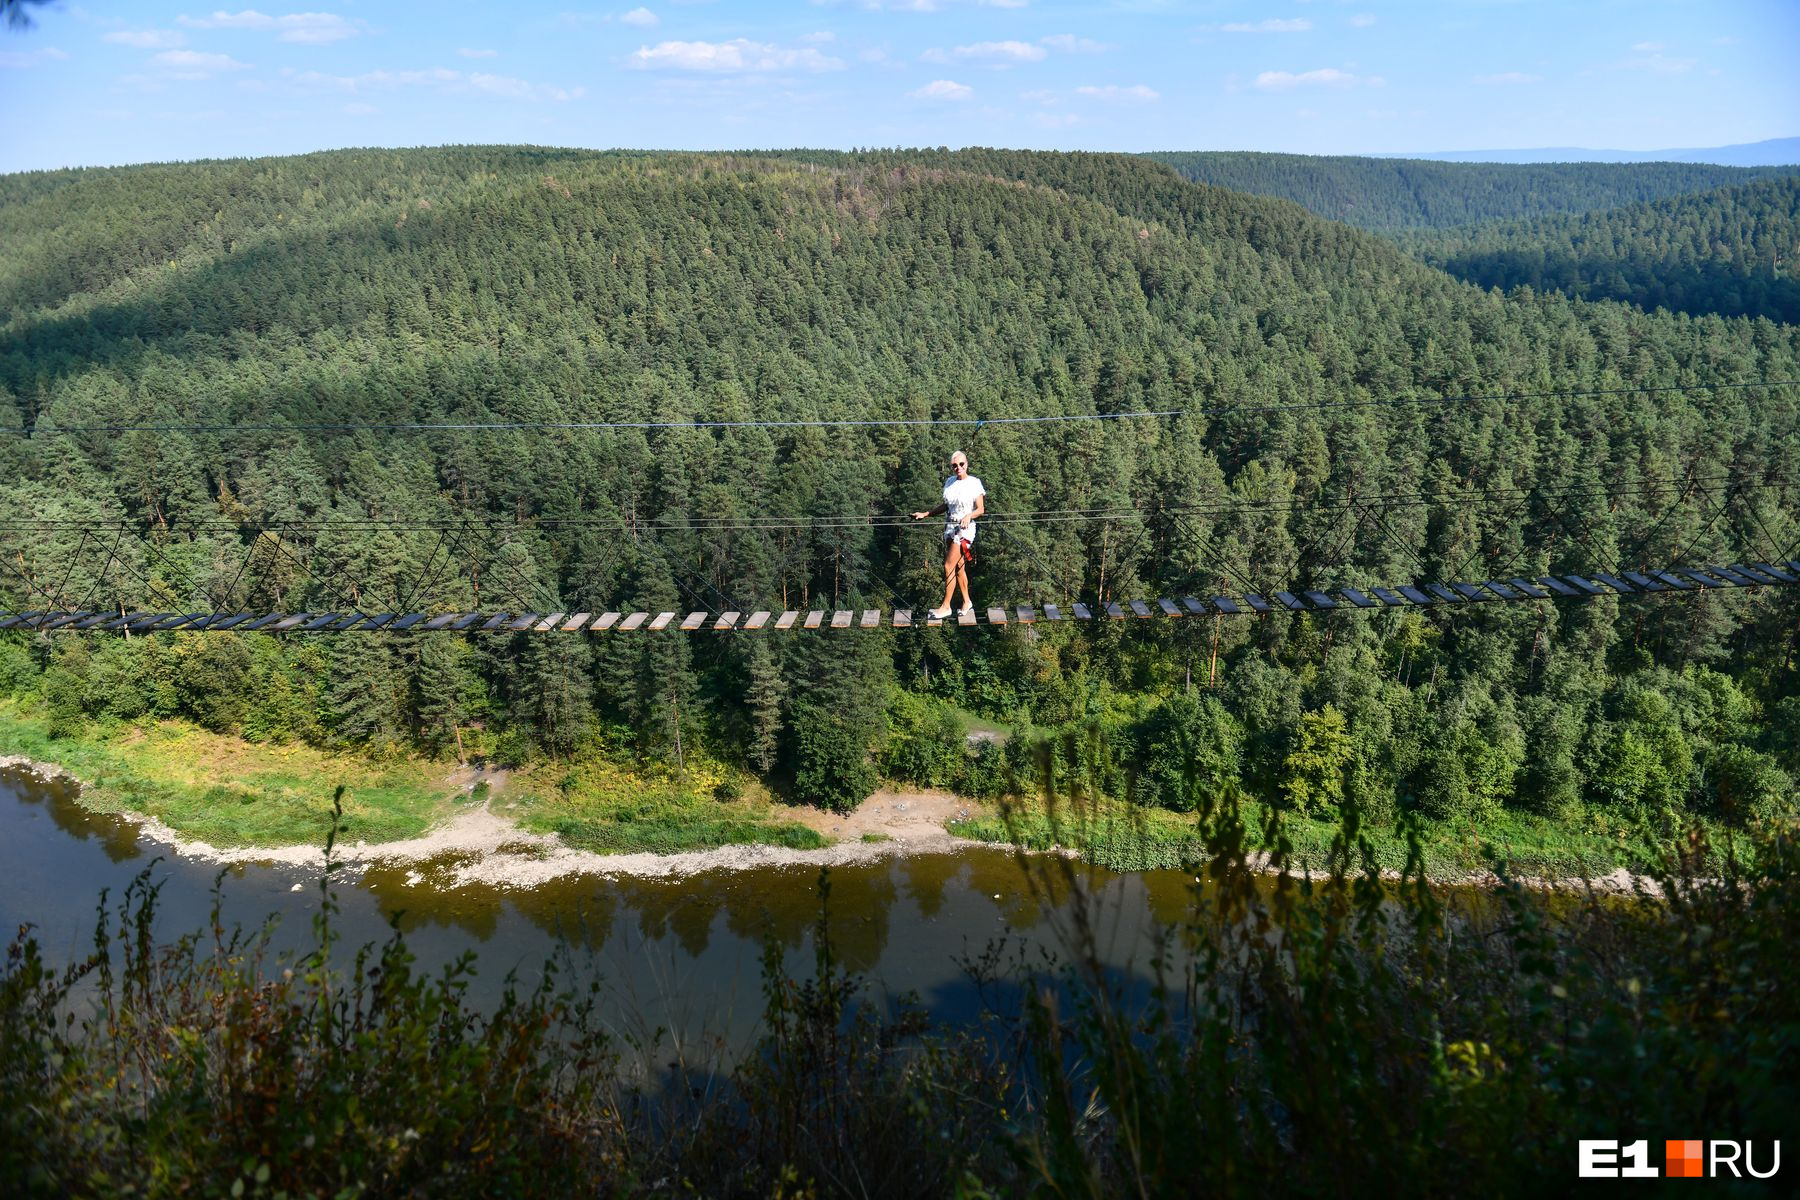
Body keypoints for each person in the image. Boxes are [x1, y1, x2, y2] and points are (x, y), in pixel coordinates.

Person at [912, 450, 986, 619]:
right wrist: (926, 514)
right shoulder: (950, 482)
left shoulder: (975, 483)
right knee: (959, 567)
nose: (958, 468)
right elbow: (945, 506)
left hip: (965, 529)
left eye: (961, 464)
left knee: (948, 566)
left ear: (966, 464)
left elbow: (980, 509)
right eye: (954, 465)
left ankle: (946, 606)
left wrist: (969, 515)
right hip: (950, 526)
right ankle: (966, 601)